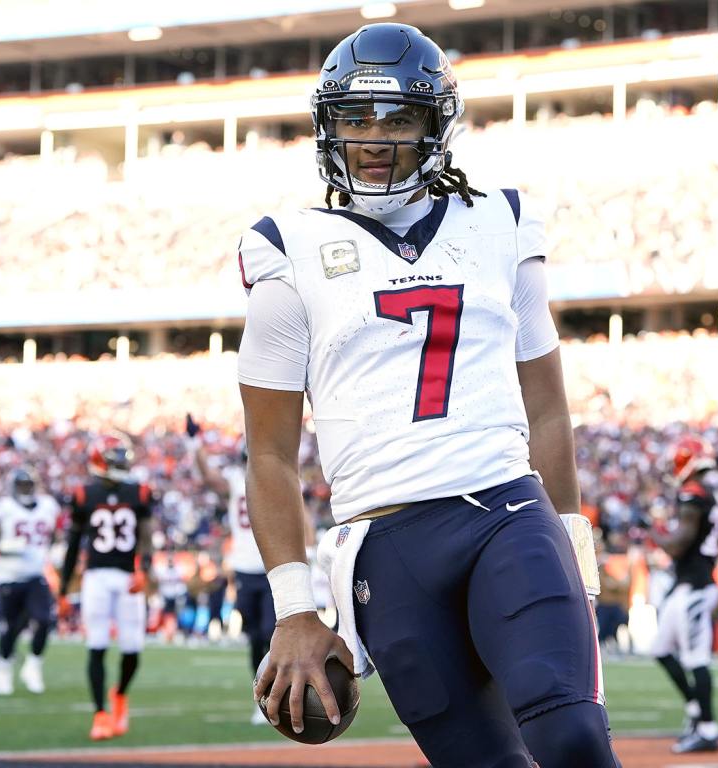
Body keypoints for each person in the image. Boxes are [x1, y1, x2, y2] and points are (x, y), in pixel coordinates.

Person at [238, 24, 620, 768]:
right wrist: (293, 608)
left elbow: (545, 405)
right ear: (329, 128)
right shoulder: (284, 245)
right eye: (356, 118)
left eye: (399, 118)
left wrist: (573, 539)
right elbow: (271, 453)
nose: (376, 138)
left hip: (504, 512)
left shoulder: (500, 219)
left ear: (437, 125)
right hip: (386, 545)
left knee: (571, 738)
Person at [58, 434, 154, 741]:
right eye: (114, 455)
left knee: (132, 649)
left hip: (128, 578)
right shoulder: (84, 494)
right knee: (96, 645)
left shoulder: (138, 491)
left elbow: (146, 535)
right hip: (96, 577)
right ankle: (100, 714)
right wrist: (63, 589)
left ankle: (120, 694)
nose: (120, 460)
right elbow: (73, 545)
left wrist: (145, 569)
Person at [648, 435, 718, 754]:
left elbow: (679, 543)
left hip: (696, 586)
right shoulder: (713, 492)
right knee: (660, 649)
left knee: (697, 659)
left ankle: (708, 729)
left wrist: (653, 532)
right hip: (689, 584)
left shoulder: (694, 492)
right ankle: (696, 711)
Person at [187, 416, 272, 725]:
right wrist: (194, 444)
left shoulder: (279, 478)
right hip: (246, 568)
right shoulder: (237, 481)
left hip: (273, 566)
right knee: (254, 639)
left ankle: (274, 696)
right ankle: (261, 696)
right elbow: (208, 477)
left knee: (269, 635)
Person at [0, 467, 61, 696]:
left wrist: (53, 549)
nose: (26, 489)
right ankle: (3, 667)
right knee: (10, 627)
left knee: (44, 620)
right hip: (8, 576)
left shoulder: (47, 506)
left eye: (29, 485)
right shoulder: (4, 508)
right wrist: (6, 547)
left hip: (35, 574)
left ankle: (33, 666)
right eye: (22, 485)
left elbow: (53, 535)